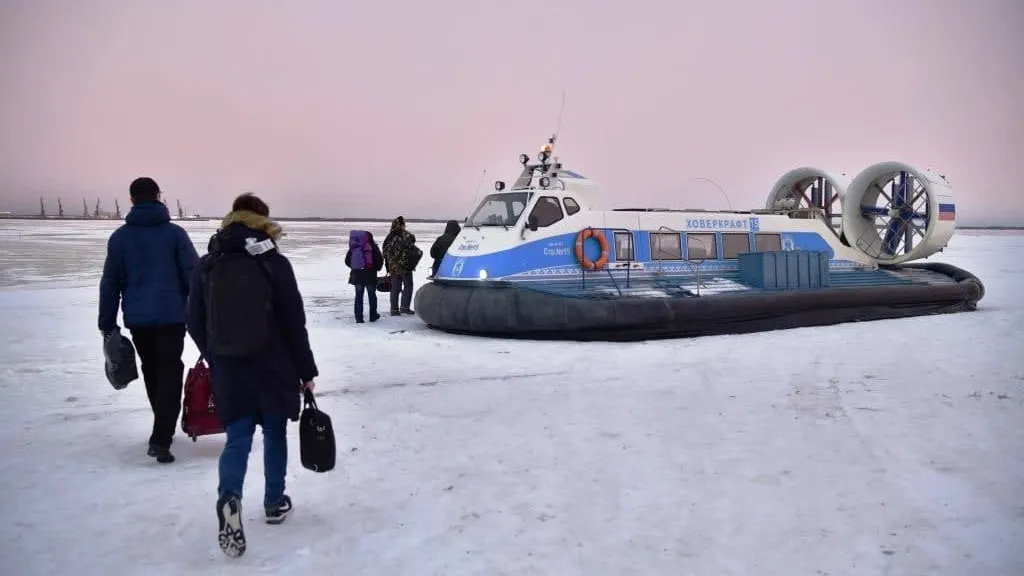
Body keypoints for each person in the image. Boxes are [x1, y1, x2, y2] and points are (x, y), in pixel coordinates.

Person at [185, 192, 318, 558]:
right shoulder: (274, 263)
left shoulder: (208, 263)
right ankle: (274, 502)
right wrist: (305, 371)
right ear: (263, 222)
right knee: (275, 432)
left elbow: (193, 319)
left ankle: (230, 496)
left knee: (238, 438)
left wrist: (215, 353)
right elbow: (294, 323)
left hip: (229, 366)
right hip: (275, 363)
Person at [98, 176, 198, 464]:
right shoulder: (175, 235)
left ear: (132, 200)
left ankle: (161, 429)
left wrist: (107, 323)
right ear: (158, 196)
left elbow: (110, 284)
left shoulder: (120, 238)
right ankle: (161, 437)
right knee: (168, 372)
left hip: (138, 319)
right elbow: (193, 277)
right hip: (171, 317)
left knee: (154, 371)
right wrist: (203, 311)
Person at [381, 216, 421, 315]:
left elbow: (384, 251)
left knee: (395, 287)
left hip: (393, 267)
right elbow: (413, 239)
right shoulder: (405, 235)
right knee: (408, 286)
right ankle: (404, 307)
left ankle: (394, 310)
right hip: (405, 266)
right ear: (402, 225)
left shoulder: (389, 237)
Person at [345, 230, 384, 323]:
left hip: (357, 276)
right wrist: (375, 269)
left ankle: (359, 318)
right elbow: (379, 261)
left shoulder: (354, 247)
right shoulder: (373, 247)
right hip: (370, 276)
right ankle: (373, 316)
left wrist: (355, 268)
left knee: (358, 297)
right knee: (372, 296)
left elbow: (347, 261)